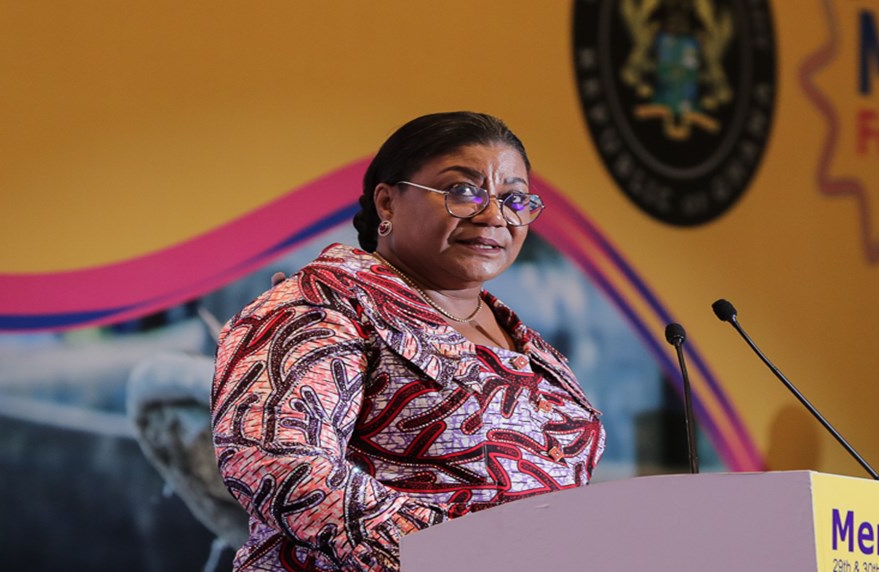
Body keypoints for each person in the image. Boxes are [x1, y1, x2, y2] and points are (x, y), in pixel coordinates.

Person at [211, 112, 605, 571]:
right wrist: (451, 557)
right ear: (387, 203)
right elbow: (278, 462)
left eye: (514, 199)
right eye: (463, 191)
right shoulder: (323, 302)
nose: (494, 216)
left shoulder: (530, 345)